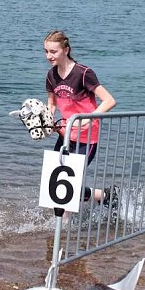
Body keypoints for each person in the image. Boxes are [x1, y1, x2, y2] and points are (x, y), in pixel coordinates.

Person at [44, 30, 117, 205]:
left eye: (53, 51)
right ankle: (104, 196)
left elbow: (109, 100)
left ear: (66, 50)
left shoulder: (83, 73)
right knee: (54, 184)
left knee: (70, 184)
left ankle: (63, 229)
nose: (49, 56)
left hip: (87, 137)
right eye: (46, 51)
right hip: (65, 135)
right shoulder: (51, 75)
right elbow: (52, 104)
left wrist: (87, 119)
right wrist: (47, 121)